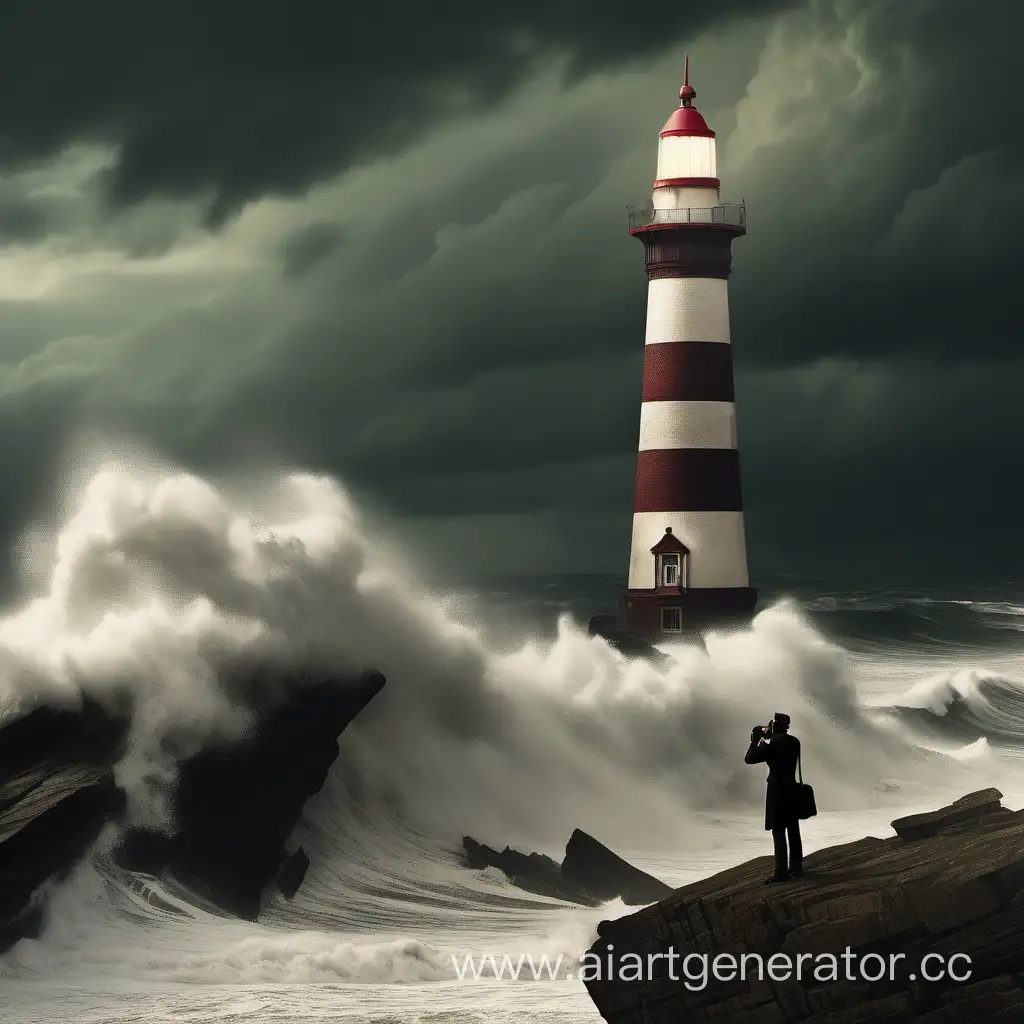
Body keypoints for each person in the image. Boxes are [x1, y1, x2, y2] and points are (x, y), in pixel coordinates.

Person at [744, 712, 803, 884]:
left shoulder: (771, 744)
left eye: (771, 725)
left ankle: (780, 872)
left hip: (777, 789)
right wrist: (769, 735)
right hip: (792, 788)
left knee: (778, 830)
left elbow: (749, 758)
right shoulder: (794, 741)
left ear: (775, 726)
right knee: (793, 828)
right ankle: (797, 867)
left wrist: (756, 739)